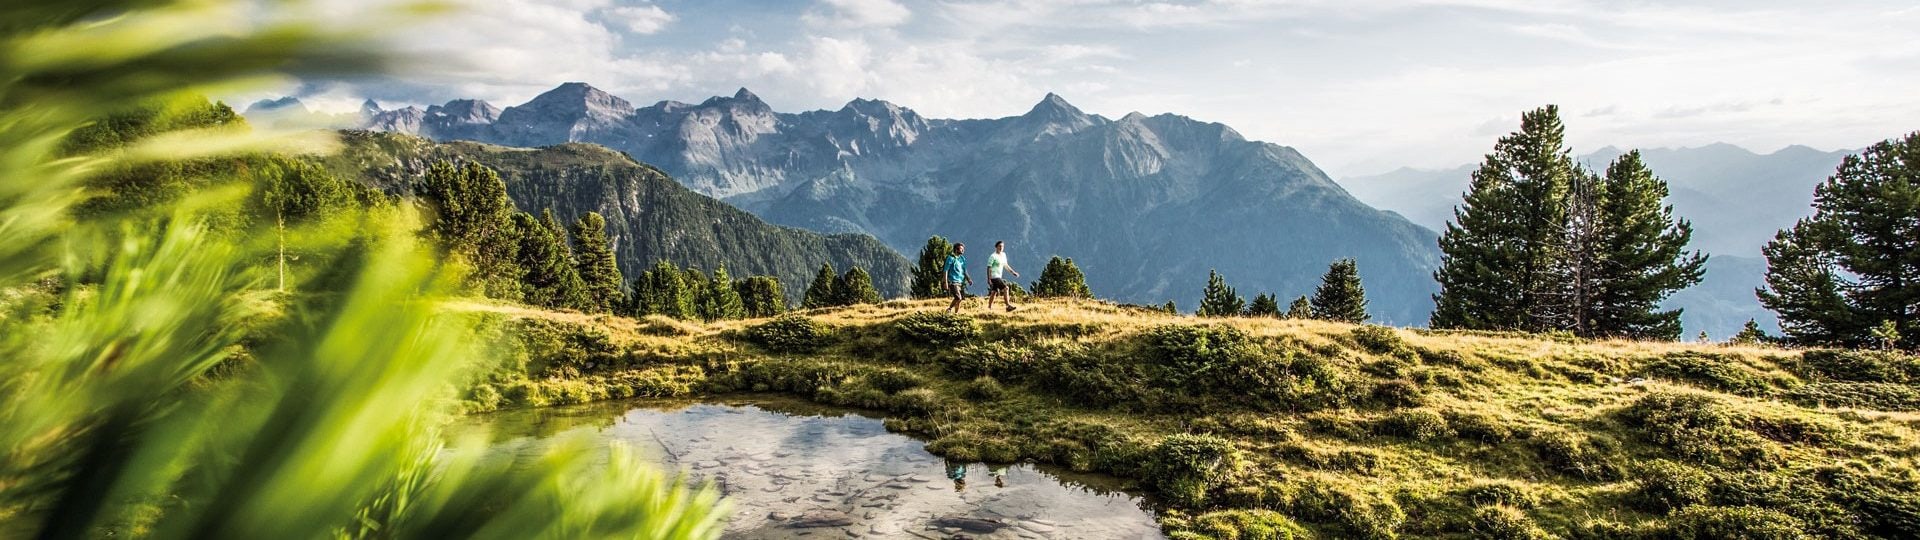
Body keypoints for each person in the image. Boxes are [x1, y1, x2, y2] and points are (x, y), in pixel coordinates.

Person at [984, 241, 1020, 312]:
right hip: (994, 276)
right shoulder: (993, 256)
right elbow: (989, 267)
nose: (1001, 248)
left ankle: (989, 307)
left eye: (1002, 246)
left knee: (994, 291)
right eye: (999, 246)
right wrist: (989, 279)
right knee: (1006, 288)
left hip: (999, 276)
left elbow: (1005, 265)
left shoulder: (1003, 255)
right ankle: (1008, 306)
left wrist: (1013, 272)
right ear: (996, 247)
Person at [943, 243, 969, 313]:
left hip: (960, 282)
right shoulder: (950, 258)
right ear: (956, 249)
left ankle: (956, 314)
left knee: (960, 299)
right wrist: (945, 282)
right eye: (961, 249)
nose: (963, 250)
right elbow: (945, 270)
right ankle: (949, 309)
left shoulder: (962, 259)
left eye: (963, 249)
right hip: (953, 281)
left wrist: (968, 279)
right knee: (958, 297)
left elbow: (964, 270)